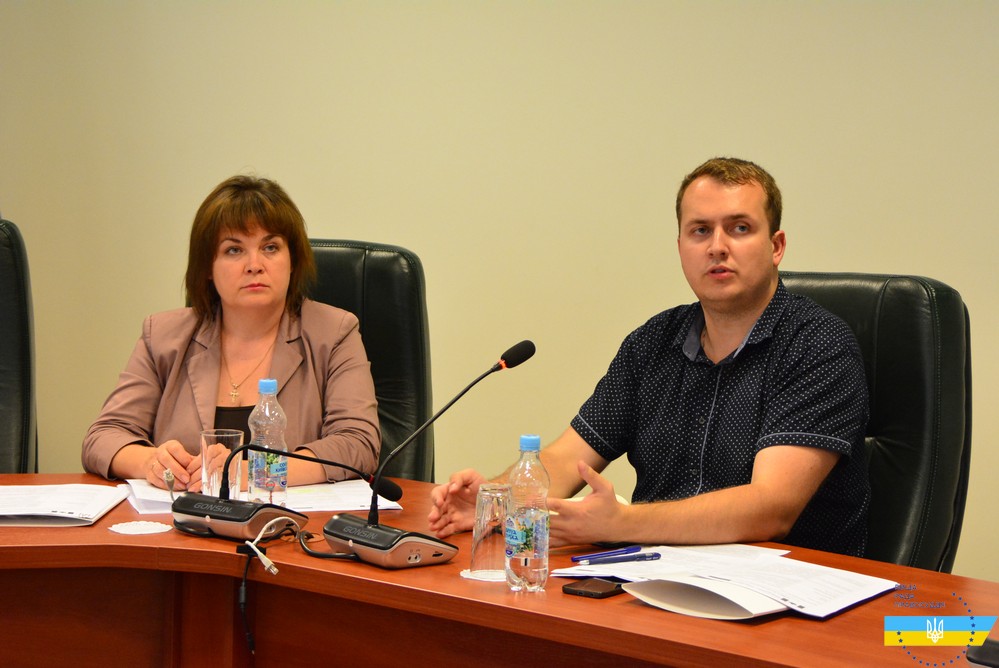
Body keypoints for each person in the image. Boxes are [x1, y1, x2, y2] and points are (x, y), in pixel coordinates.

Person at [428, 157, 870, 557]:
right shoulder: (654, 342)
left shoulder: (818, 345)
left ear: (776, 246)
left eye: (739, 228)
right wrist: (495, 502)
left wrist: (621, 524)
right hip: (657, 580)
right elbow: (567, 460)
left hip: (787, 594)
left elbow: (769, 509)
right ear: (680, 248)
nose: (717, 247)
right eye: (700, 231)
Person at [83, 175, 381, 492]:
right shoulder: (162, 336)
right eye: (234, 250)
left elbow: (358, 443)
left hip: (287, 519)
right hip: (184, 517)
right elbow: (103, 437)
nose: (254, 264)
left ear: (292, 260)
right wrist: (151, 462)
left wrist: (250, 472)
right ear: (207, 269)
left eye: (270, 247)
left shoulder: (333, 333)